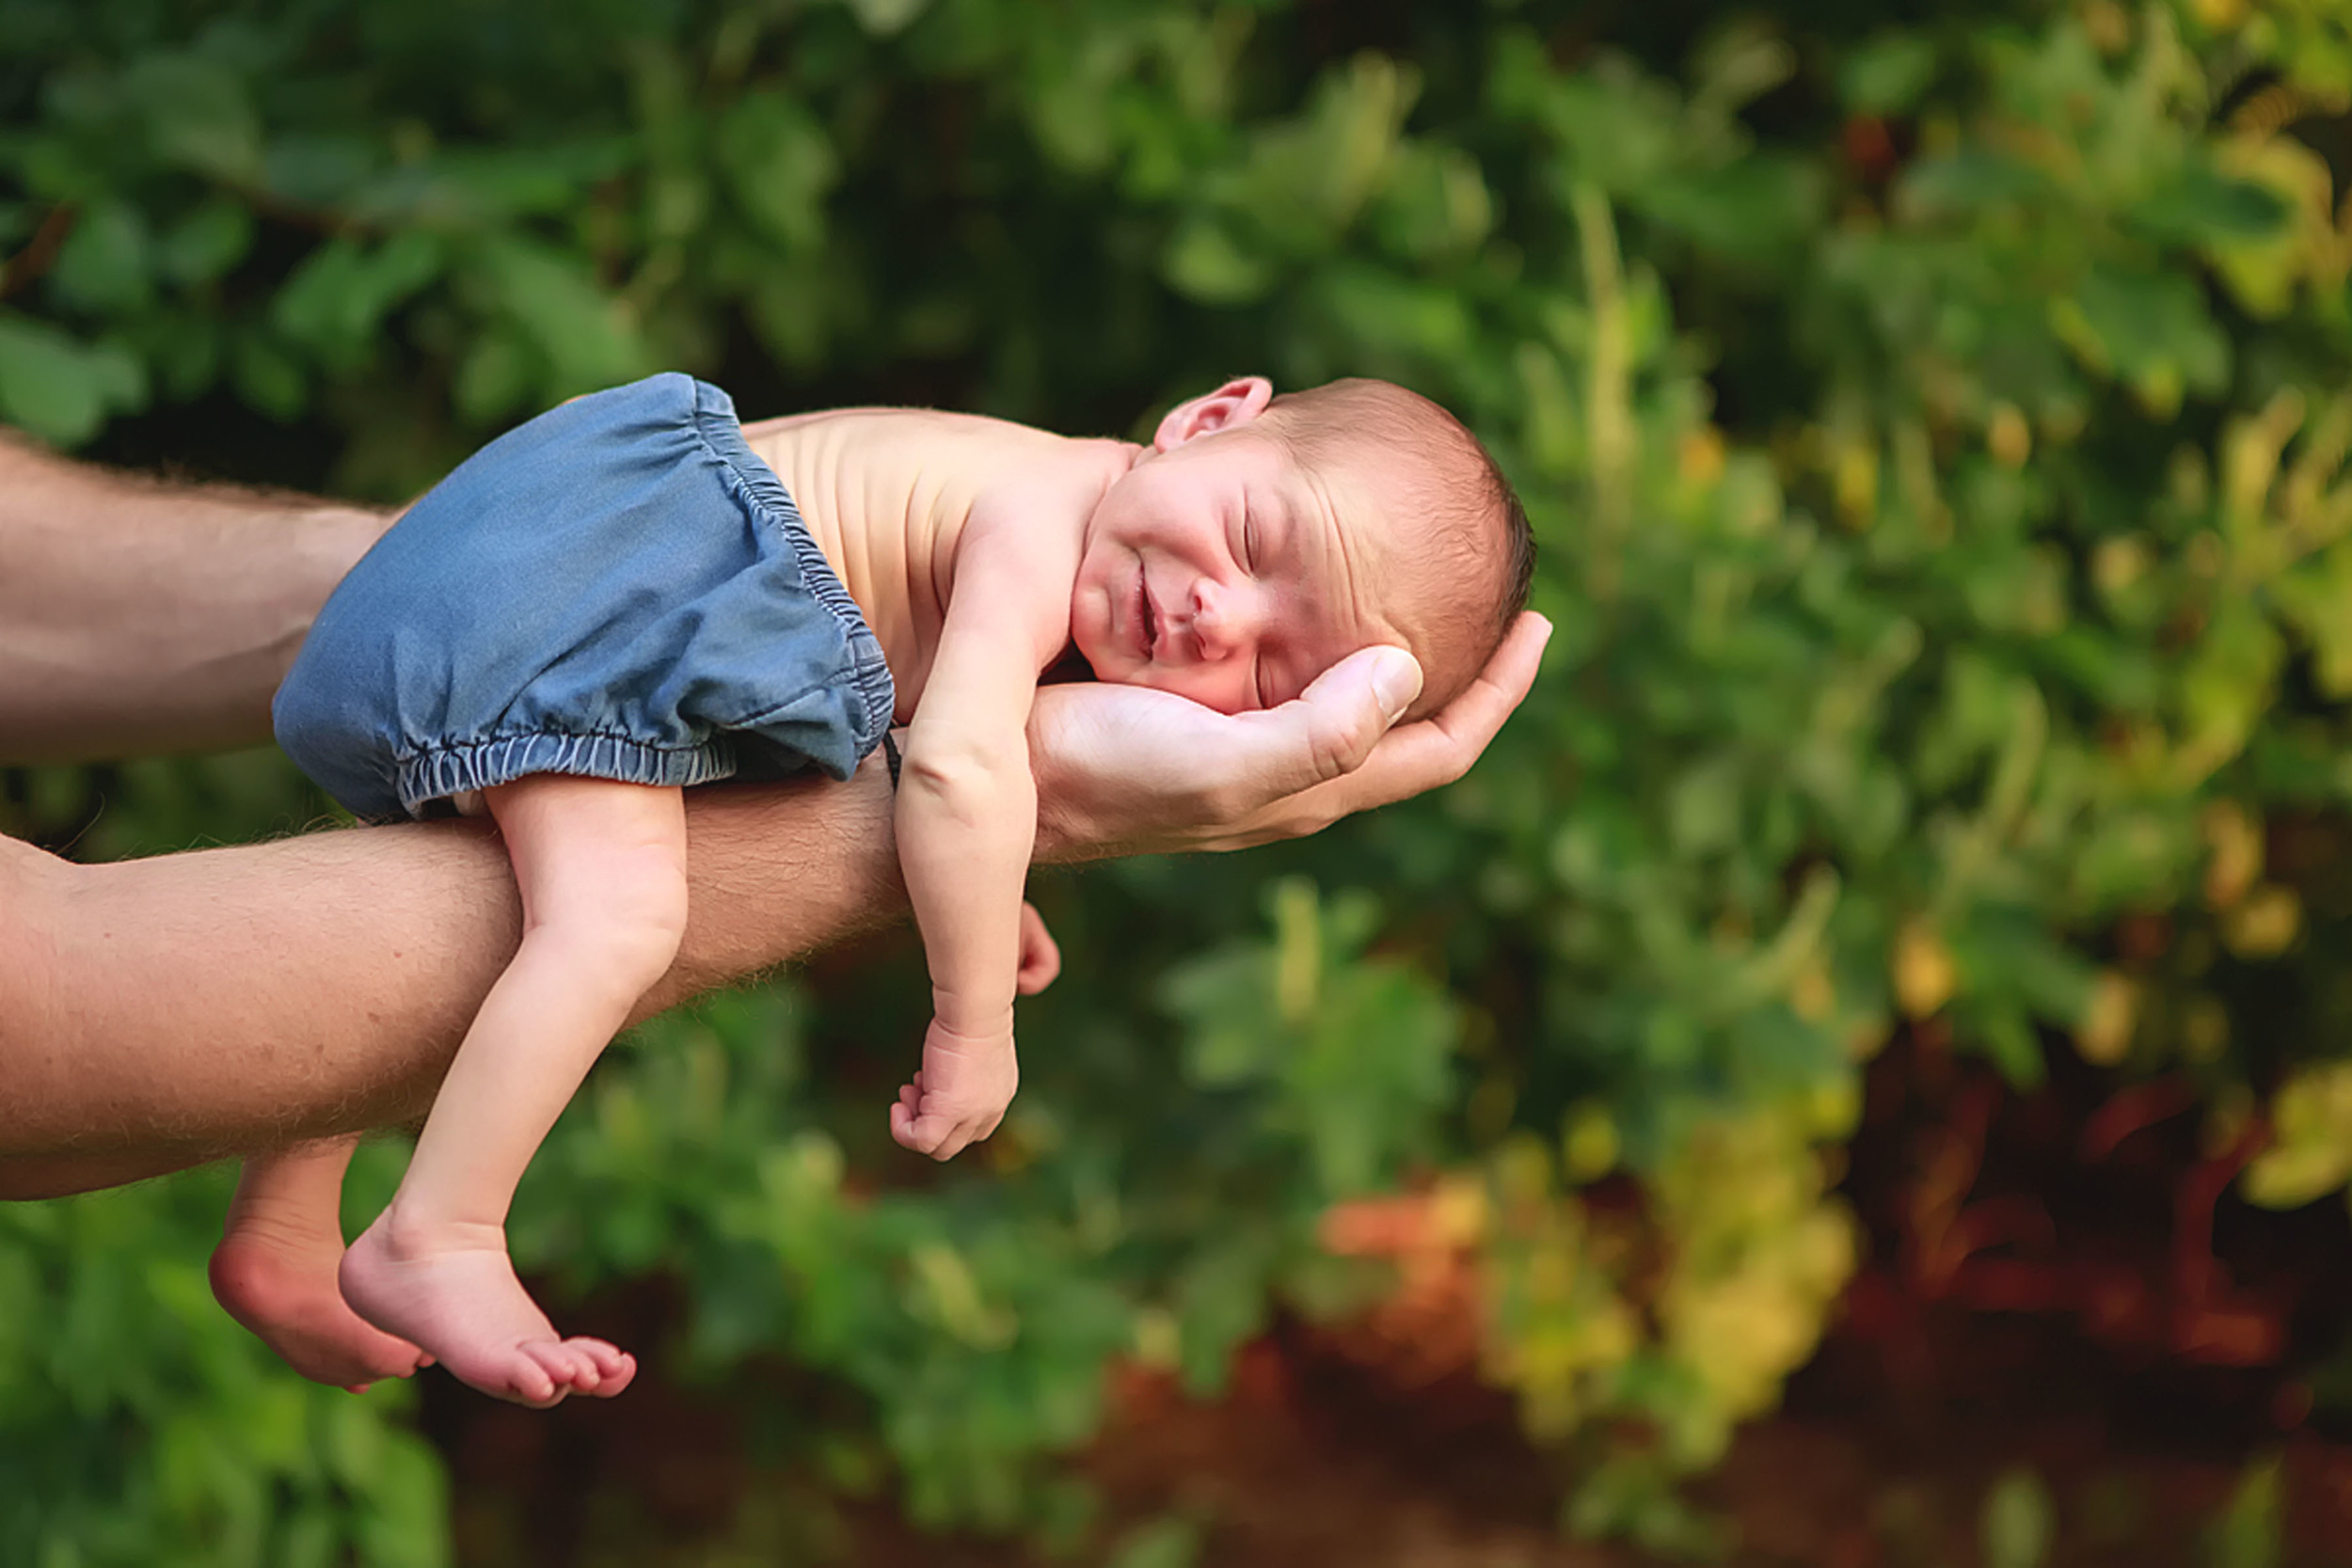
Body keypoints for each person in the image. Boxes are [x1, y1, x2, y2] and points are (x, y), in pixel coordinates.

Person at [0, 416, 1550, 1390]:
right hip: (606, 586)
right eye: (1260, 541)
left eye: (1273, 666)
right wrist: (968, 1017)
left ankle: (285, 1226)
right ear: (1206, 422)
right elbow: (948, 770)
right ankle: (442, 1230)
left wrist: (989, 879)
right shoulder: (1036, 506)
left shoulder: (1077, 521)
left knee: (492, 896)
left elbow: (936, 753)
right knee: (612, 923)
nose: (1219, 610)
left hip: (547, 571)